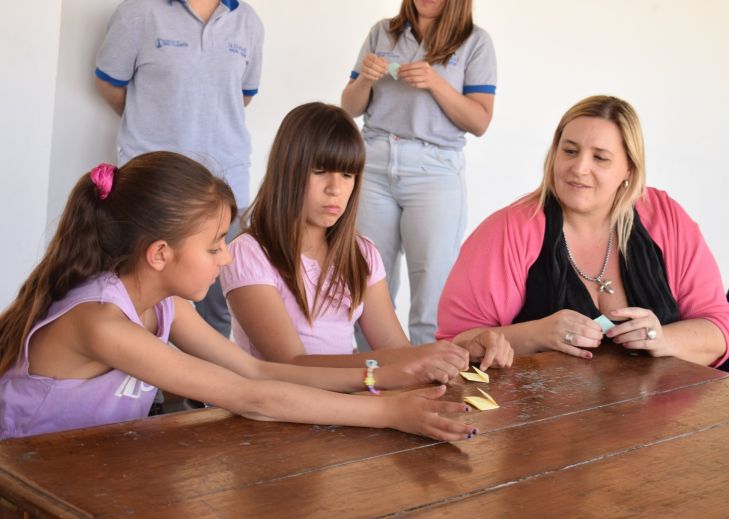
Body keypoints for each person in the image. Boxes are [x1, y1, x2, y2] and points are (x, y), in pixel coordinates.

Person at [0, 152, 478, 442]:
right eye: (213, 247)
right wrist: (389, 411)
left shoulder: (165, 304)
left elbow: (254, 370)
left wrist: (384, 376)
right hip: (23, 482)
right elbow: (251, 396)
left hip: (81, 472)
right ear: (160, 254)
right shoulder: (102, 322)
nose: (226, 258)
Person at [437, 95, 729, 367]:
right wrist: (535, 334)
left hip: (661, 419)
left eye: (600, 158)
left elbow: (718, 331)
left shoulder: (666, 217)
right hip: (541, 424)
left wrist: (663, 339)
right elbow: (455, 344)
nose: (579, 168)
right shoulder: (507, 230)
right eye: (569, 151)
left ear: (629, 169)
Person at [221, 102, 512, 371]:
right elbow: (294, 366)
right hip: (278, 412)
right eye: (320, 171)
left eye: (348, 175)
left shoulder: (361, 253)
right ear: (287, 171)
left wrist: (461, 350)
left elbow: (396, 349)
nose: (335, 188)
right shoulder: (248, 255)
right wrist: (403, 363)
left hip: (349, 403)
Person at [94, 0, 263, 338]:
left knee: (218, 304)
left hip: (226, 184)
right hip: (155, 187)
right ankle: (145, 389)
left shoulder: (249, 22)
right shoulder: (139, 11)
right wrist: (153, 127)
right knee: (141, 299)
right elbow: (109, 84)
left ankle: (209, 391)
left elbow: (242, 95)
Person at [341, 0, 496, 345]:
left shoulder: (475, 41)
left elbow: (480, 121)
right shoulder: (382, 32)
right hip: (375, 166)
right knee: (366, 286)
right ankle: (370, 383)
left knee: (432, 292)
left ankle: (428, 386)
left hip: (435, 172)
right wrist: (365, 79)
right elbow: (349, 107)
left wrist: (436, 83)